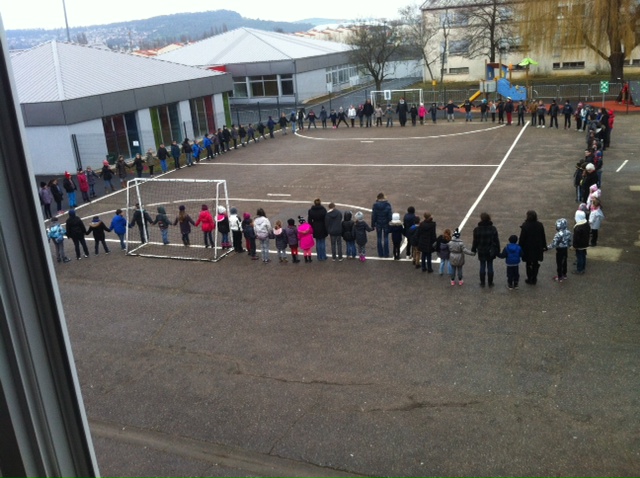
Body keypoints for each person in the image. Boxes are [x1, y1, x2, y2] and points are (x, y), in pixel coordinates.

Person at [518, 210, 547, 285]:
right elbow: (543, 236)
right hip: (537, 247)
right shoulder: (540, 225)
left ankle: (529, 278)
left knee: (528, 263)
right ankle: (534, 277)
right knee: (535, 262)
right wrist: (544, 246)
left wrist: (519, 246)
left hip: (528, 247)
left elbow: (522, 238)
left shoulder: (525, 225)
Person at [472, 212, 500, 287]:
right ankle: (490, 282)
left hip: (481, 250)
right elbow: (496, 240)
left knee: (482, 265)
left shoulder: (477, 229)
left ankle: (482, 282)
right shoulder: (493, 229)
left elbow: (475, 241)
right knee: (490, 265)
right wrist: (498, 250)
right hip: (490, 250)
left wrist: (473, 249)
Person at [547, 218, 572, 282]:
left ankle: (560, 277)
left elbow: (554, 244)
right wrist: (569, 245)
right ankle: (564, 274)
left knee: (559, 263)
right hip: (565, 249)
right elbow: (570, 241)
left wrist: (547, 248)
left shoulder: (558, 234)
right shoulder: (568, 232)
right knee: (564, 262)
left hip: (560, 250)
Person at [371, 192, 392, 258]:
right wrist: (390, 222)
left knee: (379, 238)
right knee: (386, 238)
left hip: (378, 223)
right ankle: (386, 253)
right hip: (386, 223)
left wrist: (373, 224)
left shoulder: (375, 205)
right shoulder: (387, 205)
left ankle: (380, 254)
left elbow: (373, 216)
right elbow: (390, 216)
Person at [573, 210, 590, 274]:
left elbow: (576, 238)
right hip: (585, 243)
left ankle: (579, 269)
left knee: (579, 257)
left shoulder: (577, 227)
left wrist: (574, 246)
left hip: (579, 245)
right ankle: (583, 268)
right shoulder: (586, 224)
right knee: (583, 256)